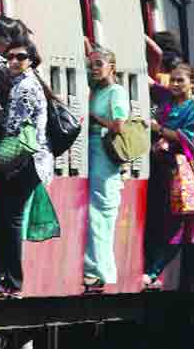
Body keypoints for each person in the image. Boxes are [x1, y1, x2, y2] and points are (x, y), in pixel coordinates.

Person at [0, 40, 54, 300]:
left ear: (31, 60)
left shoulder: (25, 88)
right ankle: (6, 278)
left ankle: (12, 281)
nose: (14, 61)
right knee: (8, 218)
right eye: (10, 57)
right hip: (29, 161)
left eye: (21, 57)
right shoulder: (25, 83)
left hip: (23, 161)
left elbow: (13, 125)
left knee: (11, 219)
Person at [143, 63, 194, 289]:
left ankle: (153, 271)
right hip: (158, 172)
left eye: (180, 80)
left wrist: (159, 130)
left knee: (178, 227)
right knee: (156, 222)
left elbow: (187, 138)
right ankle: (150, 270)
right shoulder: (166, 102)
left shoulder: (192, 109)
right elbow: (149, 81)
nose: (174, 84)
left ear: (191, 83)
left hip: (181, 176)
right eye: (172, 79)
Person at [83, 48, 130, 293]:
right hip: (94, 152)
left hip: (104, 155)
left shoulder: (116, 92)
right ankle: (94, 269)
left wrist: (94, 117)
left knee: (100, 212)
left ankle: (98, 271)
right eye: (91, 64)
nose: (94, 68)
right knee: (94, 211)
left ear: (112, 66)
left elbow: (120, 126)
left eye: (99, 64)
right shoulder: (97, 91)